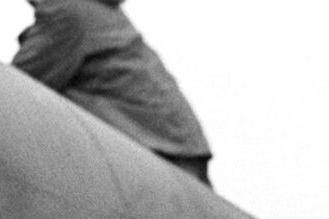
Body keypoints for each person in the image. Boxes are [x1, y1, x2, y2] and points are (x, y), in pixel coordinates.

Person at [13, 0, 213, 184]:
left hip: (160, 154)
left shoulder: (68, 10)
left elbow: (16, 88)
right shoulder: (92, 9)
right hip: (174, 148)